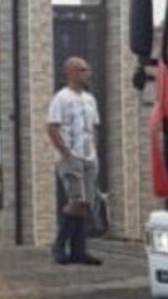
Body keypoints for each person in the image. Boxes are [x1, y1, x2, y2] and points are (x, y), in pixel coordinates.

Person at [47, 56, 103, 266]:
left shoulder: (90, 99)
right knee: (75, 200)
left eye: (87, 70)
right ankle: (59, 246)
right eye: (81, 70)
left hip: (88, 155)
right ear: (70, 72)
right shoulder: (61, 98)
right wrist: (65, 153)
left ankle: (79, 250)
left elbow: (94, 126)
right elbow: (52, 126)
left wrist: (94, 150)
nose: (86, 73)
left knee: (85, 202)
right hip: (71, 156)